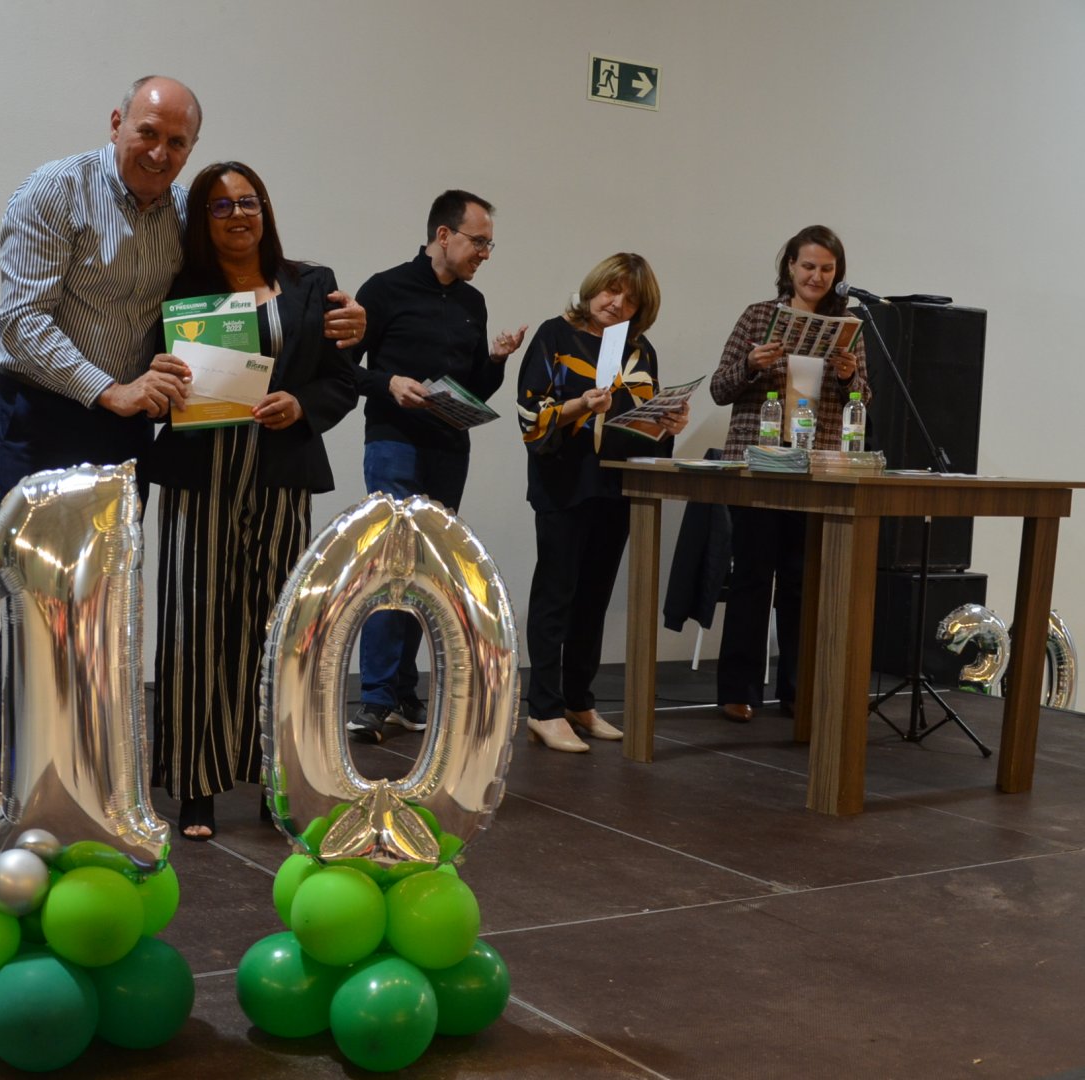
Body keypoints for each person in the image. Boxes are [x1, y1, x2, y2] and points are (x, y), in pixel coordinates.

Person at [0, 77, 364, 773]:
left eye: (177, 142)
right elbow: (21, 322)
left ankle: (98, 771)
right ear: (116, 123)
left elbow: (259, 283)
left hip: (133, 420)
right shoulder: (55, 190)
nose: (160, 153)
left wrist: (345, 318)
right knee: (38, 593)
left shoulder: (190, 212)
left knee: (110, 599)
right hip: (45, 413)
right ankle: (28, 772)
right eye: (148, 133)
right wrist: (111, 390)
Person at [141, 161, 359, 839]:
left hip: (280, 475)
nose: (238, 215)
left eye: (249, 201)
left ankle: (276, 781)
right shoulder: (179, 291)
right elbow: (148, 375)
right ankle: (196, 786)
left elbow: (342, 379)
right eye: (220, 206)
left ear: (265, 209)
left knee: (280, 629)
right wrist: (158, 377)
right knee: (196, 629)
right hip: (199, 476)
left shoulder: (311, 284)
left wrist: (303, 404)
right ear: (200, 221)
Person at [346, 190, 528, 744]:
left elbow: (474, 387)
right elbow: (342, 369)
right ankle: (375, 698)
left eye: (490, 244)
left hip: (450, 446)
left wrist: (495, 360)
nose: (485, 254)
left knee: (426, 573)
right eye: (479, 242)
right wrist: (389, 383)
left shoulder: (473, 302)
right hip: (394, 442)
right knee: (391, 567)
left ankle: (404, 692)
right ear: (443, 235)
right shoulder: (383, 290)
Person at [515, 253, 689, 752]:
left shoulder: (641, 349)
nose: (616, 303)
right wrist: (579, 405)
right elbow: (530, 415)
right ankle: (544, 709)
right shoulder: (555, 334)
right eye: (611, 290)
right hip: (565, 483)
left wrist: (669, 424)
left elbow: (645, 417)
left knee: (593, 598)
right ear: (594, 287)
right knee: (556, 596)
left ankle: (579, 701)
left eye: (630, 299)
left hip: (616, 486)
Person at [708, 225, 869, 721]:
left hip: (816, 467)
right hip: (759, 464)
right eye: (808, 266)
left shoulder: (848, 326)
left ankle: (799, 691)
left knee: (804, 582)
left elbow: (863, 399)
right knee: (753, 577)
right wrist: (751, 364)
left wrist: (848, 376)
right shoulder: (759, 316)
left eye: (827, 269)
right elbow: (719, 388)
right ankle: (738, 690)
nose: (816, 276)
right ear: (790, 267)